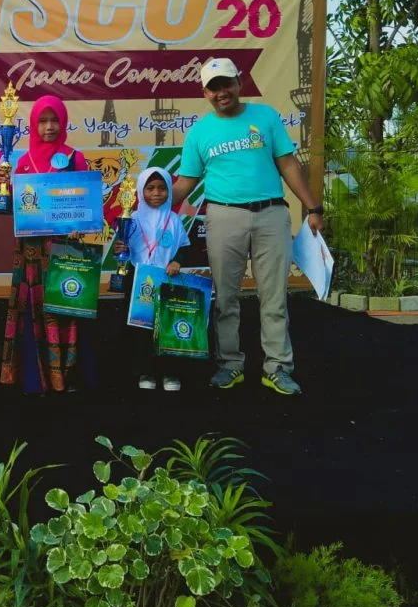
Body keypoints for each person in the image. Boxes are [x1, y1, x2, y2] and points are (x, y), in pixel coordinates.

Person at [172, 57, 324, 396]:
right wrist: (146, 212)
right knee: (226, 297)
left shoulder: (266, 117)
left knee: (274, 297)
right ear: (204, 93)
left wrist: (313, 207)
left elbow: (287, 164)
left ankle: (278, 368)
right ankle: (230, 365)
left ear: (239, 82)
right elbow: (185, 182)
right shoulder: (199, 132)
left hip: (271, 214)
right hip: (224, 217)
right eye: (213, 88)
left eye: (226, 83)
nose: (221, 92)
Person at [0, 95, 93, 395]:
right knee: (32, 310)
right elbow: (17, 208)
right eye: (43, 121)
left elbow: (85, 203)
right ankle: (35, 379)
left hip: (63, 250)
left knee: (64, 309)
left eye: (55, 120)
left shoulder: (74, 157)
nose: (49, 127)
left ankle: (65, 377)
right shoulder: (23, 162)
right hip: (30, 252)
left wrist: (80, 227)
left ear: (63, 122)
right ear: (33, 125)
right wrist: (5, 186)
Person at [114, 167, 191, 391]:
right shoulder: (132, 219)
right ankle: (145, 371)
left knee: (167, 328)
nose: (156, 193)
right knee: (142, 330)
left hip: (168, 280)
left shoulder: (174, 220)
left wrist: (177, 261)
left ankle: (170, 373)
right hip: (139, 283)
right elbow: (122, 251)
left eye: (162, 188)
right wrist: (119, 249)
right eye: (149, 188)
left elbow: (185, 247)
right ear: (140, 191)